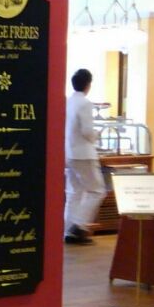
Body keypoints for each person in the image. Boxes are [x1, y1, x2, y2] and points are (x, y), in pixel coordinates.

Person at [64, 68, 105, 245]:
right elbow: (87, 131)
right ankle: (78, 226)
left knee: (74, 192)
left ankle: (67, 230)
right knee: (98, 191)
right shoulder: (86, 103)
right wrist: (97, 134)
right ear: (88, 84)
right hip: (84, 154)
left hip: (70, 153)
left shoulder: (69, 102)